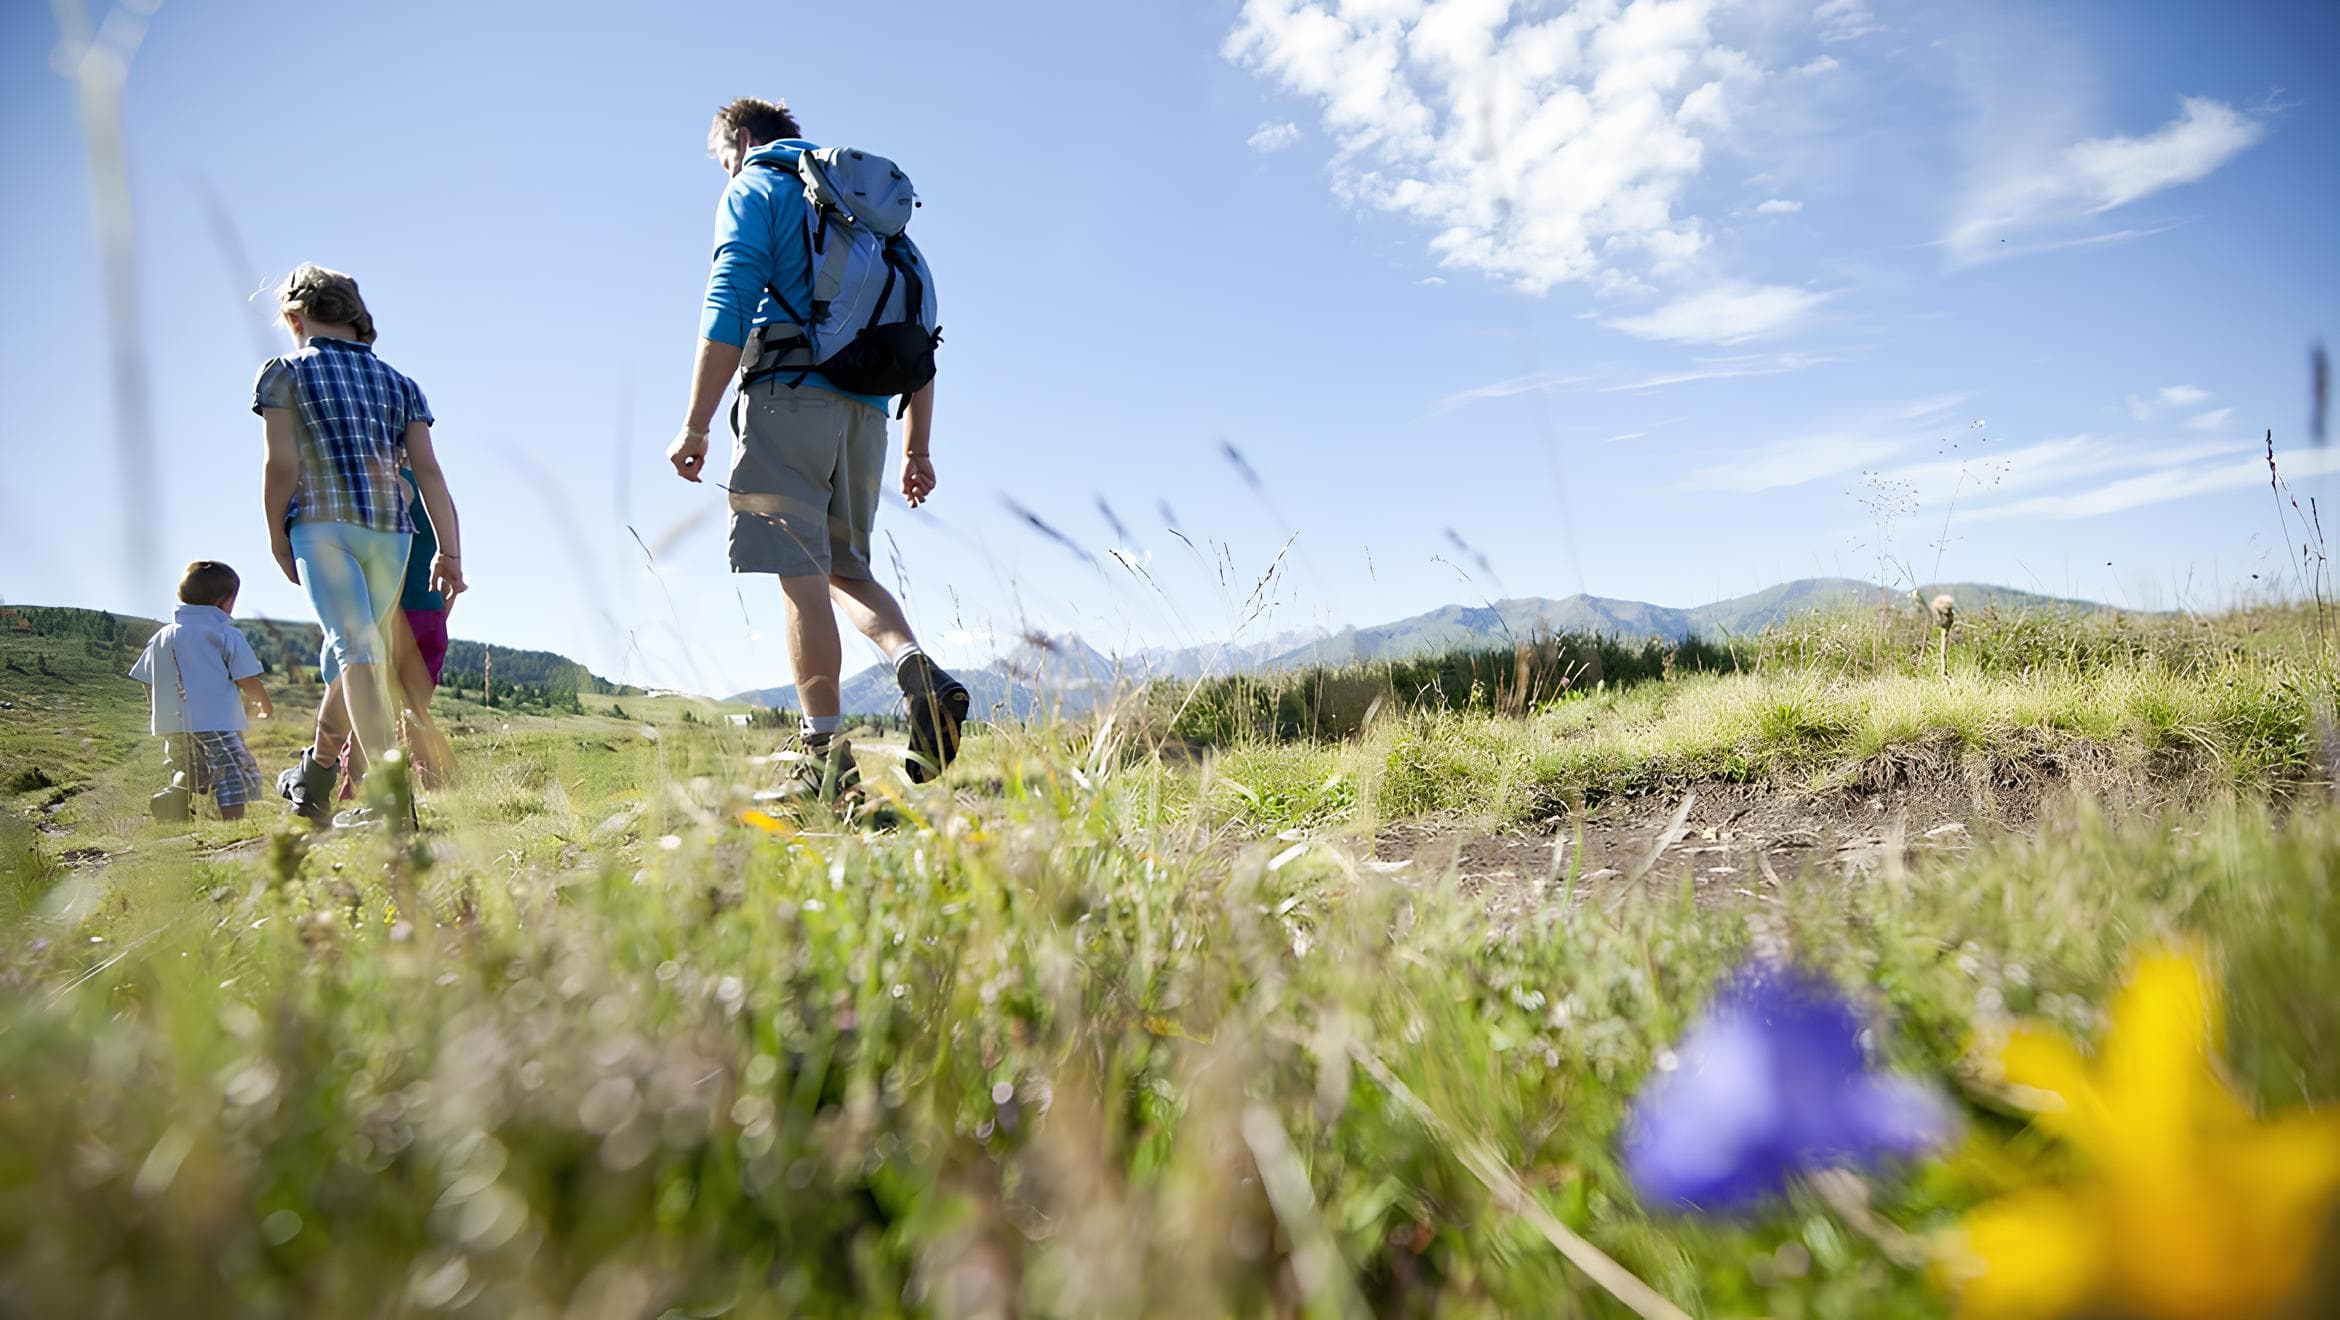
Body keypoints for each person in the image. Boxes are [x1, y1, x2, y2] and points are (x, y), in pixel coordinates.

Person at [666, 96, 968, 805]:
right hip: (868, 416)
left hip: (788, 398)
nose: (725, 171)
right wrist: (917, 450)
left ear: (741, 139)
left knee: (801, 578)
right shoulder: (873, 219)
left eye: (722, 160)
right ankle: (918, 671)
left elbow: (730, 296)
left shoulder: (758, 186)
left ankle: (825, 763)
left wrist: (697, 422)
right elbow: (920, 340)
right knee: (847, 570)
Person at [255, 264, 466, 825]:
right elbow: (430, 472)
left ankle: (390, 800)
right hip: (391, 535)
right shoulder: (401, 384)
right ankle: (315, 775)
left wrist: (276, 534)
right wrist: (449, 553)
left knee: (354, 653)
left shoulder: (284, 372)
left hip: (323, 525)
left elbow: (282, 464)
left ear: (294, 319)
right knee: (353, 654)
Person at [330, 467, 458, 796]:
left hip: (392, 611)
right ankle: (437, 787)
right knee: (414, 711)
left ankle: (356, 789)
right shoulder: (438, 495)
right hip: (429, 611)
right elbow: (450, 568)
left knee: (371, 707)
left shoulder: (392, 480)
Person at [131, 561, 273, 821]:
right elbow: (246, 677)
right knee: (232, 770)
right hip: (217, 721)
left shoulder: (163, 635)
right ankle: (233, 824)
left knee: (188, 767)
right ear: (225, 602)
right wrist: (263, 701)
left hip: (173, 723)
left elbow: (147, 679)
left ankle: (173, 797)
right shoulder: (225, 634)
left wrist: (157, 708)